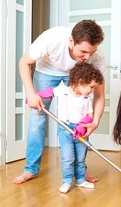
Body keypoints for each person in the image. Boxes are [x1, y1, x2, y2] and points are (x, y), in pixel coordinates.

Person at [13, 20, 106, 185]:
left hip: (78, 75)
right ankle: (31, 169)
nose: (87, 57)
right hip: (47, 72)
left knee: (81, 123)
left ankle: (80, 172)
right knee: (37, 118)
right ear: (71, 41)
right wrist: (31, 93)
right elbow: (24, 62)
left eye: (92, 52)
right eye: (83, 52)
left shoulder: (96, 60)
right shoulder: (52, 38)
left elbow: (99, 95)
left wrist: (96, 121)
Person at [36, 62, 104, 193]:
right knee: (68, 158)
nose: (92, 90)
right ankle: (66, 181)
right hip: (65, 129)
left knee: (80, 158)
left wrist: (82, 125)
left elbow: (90, 114)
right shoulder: (63, 91)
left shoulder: (87, 98)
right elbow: (49, 92)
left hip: (81, 131)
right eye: (91, 87)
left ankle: (80, 180)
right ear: (80, 81)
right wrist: (35, 97)